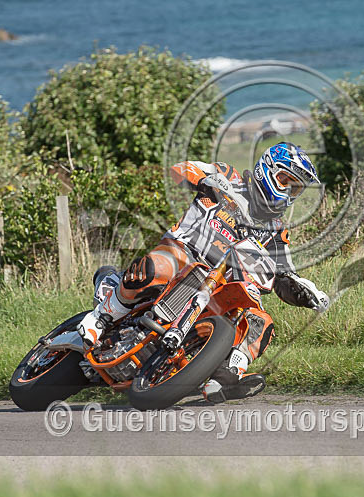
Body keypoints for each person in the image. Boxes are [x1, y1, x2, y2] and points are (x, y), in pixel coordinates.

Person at [77, 142, 330, 403]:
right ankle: (101, 317)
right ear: (266, 169)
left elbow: (282, 274)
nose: (288, 191)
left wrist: (302, 291)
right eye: (285, 180)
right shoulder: (229, 177)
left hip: (221, 284)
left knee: (260, 321)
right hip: (184, 254)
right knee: (158, 266)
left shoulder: (276, 231)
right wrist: (205, 180)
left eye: (295, 187)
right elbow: (180, 170)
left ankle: (226, 376)